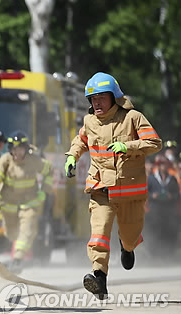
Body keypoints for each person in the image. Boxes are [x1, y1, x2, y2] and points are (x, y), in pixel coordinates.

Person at [64, 72, 162, 300]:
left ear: (114, 97)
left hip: (130, 192)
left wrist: (128, 146)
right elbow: (81, 140)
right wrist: (71, 156)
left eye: (101, 97)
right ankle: (99, 279)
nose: (96, 102)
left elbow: (154, 143)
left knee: (130, 235)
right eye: (92, 98)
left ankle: (127, 247)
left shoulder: (133, 118)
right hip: (101, 190)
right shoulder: (89, 121)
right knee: (98, 234)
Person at [0, 132, 53, 272]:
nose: (18, 152)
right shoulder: (5, 161)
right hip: (9, 205)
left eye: (21, 149)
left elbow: (49, 170)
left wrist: (44, 191)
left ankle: (18, 259)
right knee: (12, 234)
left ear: (26, 149)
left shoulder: (34, 160)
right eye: (15, 149)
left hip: (29, 203)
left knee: (27, 229)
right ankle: (17, 254)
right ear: (10, 149)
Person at [145, 155, 179, 258]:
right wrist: (152, 196)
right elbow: (146, 193)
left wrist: (171, 196)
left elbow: (177, 193)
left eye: (165, 165)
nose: (163, 167)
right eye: (161, 165)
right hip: (155, 210)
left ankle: (169, 254)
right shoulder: (151, 178)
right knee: (156, 231)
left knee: (169, 231)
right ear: (158, 166)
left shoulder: (172, 178)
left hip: (169, 210)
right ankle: (154, 254)